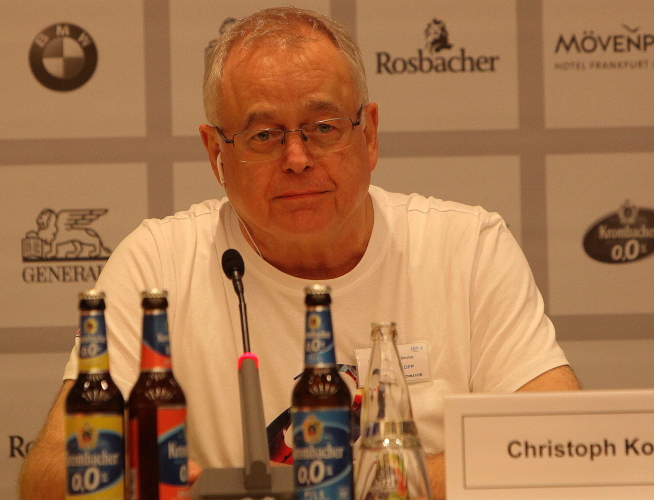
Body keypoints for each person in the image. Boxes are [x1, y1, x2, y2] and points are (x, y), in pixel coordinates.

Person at [18, 7, 580, 500]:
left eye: (323, 127)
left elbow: (560, 442)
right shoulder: (156, 266)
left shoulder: (468, 248)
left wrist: (351, 486)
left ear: (370, 134)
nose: (296, 158)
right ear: (216, 153)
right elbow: (46, 474)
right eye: (264, 135)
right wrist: (147, 482)